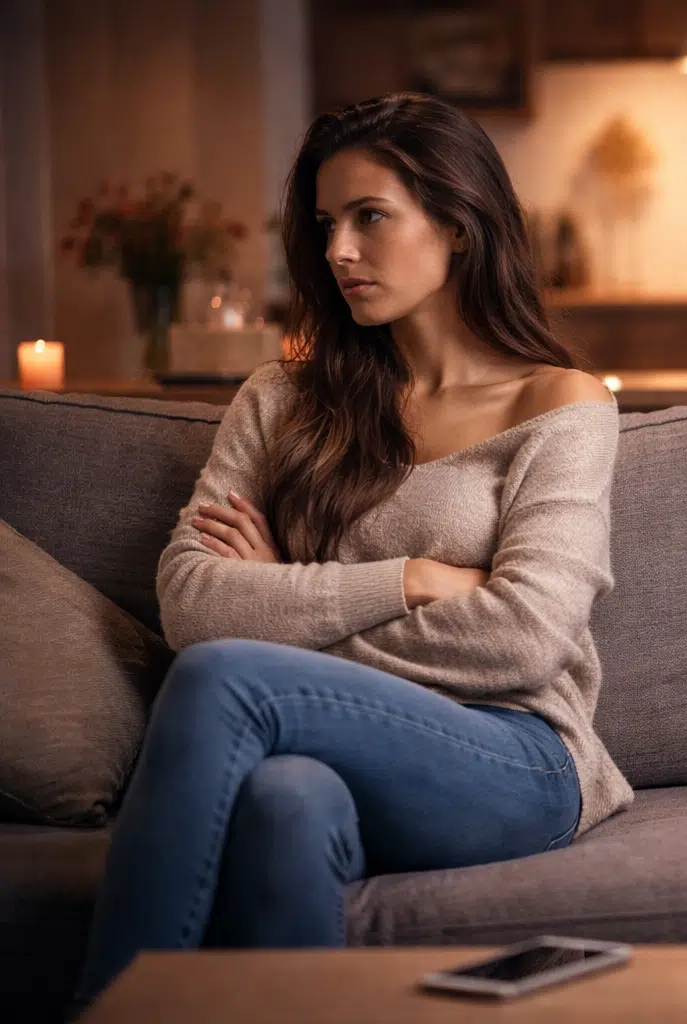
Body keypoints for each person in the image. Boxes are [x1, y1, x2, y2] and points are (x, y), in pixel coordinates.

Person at [73, 93, 633, 1007]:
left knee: (224, 678)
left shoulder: (559, 405)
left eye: (370, 217)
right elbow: (191, 601)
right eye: (327, 223)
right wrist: (413, 579)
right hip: (327, 758)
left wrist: (282, 604)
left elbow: (526, 636)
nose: (338, 250)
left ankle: (107, 1011)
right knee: (283, 800)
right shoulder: (281, 399)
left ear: (457, 225)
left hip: (514, 754)